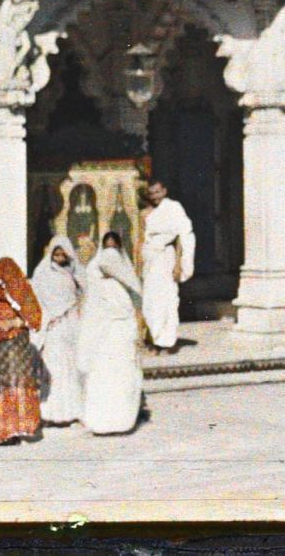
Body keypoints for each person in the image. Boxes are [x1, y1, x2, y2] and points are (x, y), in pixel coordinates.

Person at [79, 232, 145, 436]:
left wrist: (136, 332)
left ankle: (122, 421)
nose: (109, 254)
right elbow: (91, 309)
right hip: (102, 336)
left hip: (121, 333)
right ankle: (101, 422)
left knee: (121, 375)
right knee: (102, 376)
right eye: (105, 247)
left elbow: (134, 307)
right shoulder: (96, 277)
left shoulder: (126, 284)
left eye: (113, 248)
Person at [0, 257, 44, 445]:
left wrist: (15, 322)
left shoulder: (23, 291)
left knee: (15, 387)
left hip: (17, 349)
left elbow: (34, 318)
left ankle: (13, 430)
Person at [29, 236, 84, 426]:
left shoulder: (72, 272)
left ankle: (71, 411)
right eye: (56, 253)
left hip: (70, 325)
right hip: (52, 327)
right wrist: (48, 318)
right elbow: (36, 299)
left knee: (70, 368)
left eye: (63, 254)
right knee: (53, 368)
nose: (60, 257)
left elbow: (82, 293)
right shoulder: (42, 272)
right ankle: (50, 413)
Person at [139, 180, 195, 353]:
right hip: (150, 259)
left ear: (164, 190)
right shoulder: (146, 213)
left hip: (166, 257)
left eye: (157, 192)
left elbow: (180, 237)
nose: (155, 196)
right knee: (150, 301)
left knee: (167, 299)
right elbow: (143, 239)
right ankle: (154, 339)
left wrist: (178, 264)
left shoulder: (173, 207)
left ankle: (166, 342)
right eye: (151, 193)